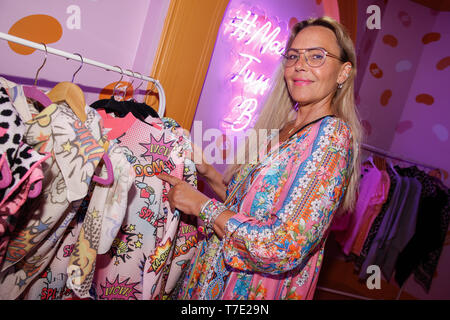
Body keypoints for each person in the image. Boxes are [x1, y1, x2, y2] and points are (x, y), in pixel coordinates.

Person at [156, 16, 363, 300]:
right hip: (208, 280)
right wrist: (209, 173)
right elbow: (251, 209)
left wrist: (202, 205)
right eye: (293, 56)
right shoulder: (282, 127)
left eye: (317, 56)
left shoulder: (331, 137)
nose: (300, 65)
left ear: (343, 72)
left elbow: (283, 246)